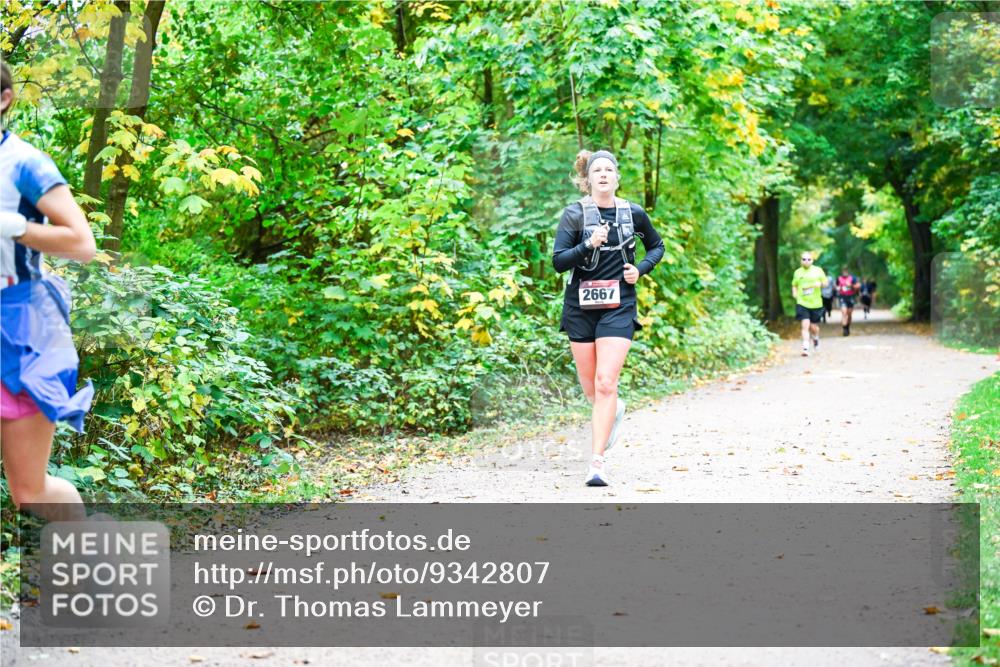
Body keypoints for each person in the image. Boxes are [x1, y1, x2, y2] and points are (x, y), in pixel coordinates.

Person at [0, 62, 97, 521]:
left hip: (19, 326)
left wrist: (15, 226)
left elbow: (82, 244)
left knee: (29, 491)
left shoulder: (25, 163)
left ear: (4, 100)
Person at [552, 150, 664, 486]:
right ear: (587, 179)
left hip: (619, 305)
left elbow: (657, 246)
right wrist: (588, 244)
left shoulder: (633, 213)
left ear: (616, 177)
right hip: (579, 308)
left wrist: (639, 270)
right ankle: (612, 410)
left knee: (605, 383)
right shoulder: (574, 215)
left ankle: (597, 463)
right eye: (597, 170)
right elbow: (559, 261)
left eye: (609, 170)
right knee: (591, 390)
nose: (603, 174)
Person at [791, 251, 826, 357]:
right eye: (804, 259)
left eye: (808, 259)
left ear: (812, 260)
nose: (806, 261)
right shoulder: (797, 272)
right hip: (802, 302)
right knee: (805, 324)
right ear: (801, 260)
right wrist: (795, 293)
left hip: (816, 303)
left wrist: (819, 284)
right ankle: (805, 348)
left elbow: (825, 283)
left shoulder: (818, 270)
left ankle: (815, 339)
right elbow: (794, 284)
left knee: (813, 327)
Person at [835, 266, 861, 336]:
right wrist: (838, 288)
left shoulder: (853, 278)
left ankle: (847, 327)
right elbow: (836, 286)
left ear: (848, 271)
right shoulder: (839, 278)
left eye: (846, 271)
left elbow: (858, 286)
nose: (845, 272)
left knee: (849, 314)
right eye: (844, 271)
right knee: (844, 312)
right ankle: (844, 329)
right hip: (842, 297)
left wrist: (851, 286)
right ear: (842, 271)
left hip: (851, 297)